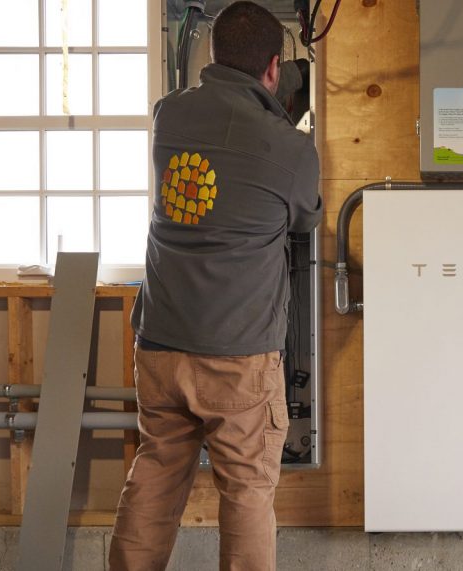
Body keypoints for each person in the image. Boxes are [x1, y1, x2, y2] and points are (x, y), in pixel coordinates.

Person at [109, 2, 322, 569]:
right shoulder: (291, 148)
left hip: (160, 342)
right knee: (248, 492)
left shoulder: (168, 117)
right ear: (274, 69)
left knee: (154, 475)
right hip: (239, 355)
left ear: (211, 53)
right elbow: (304, 219)